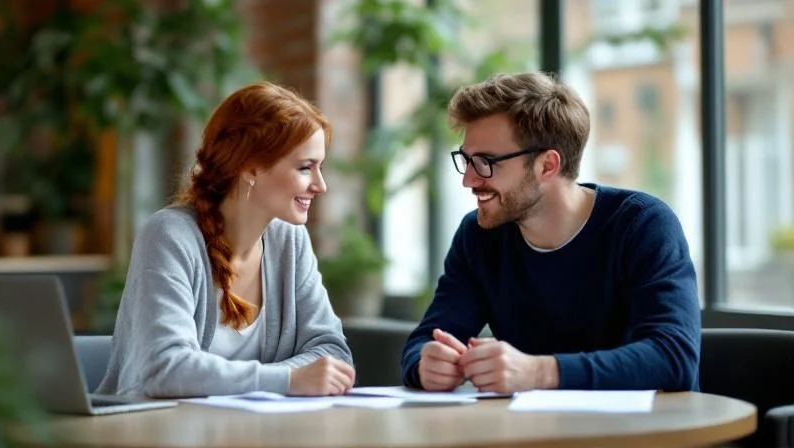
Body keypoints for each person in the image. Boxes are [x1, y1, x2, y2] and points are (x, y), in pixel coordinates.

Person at [401, 72, 700, 394]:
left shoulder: (641, 224)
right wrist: (426, 364)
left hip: (647, 435)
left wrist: (540, 372)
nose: (469, 180)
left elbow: (673, 359)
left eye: (486, 162)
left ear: (547, 166)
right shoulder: (479, 236)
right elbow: (428, 339)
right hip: (532, 434)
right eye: (467, 160)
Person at [97, 82, 355, 398]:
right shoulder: (170, 236)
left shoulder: (290, 240)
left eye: (320, 168)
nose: (320, 185)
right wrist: (289, 380)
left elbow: (333, 354)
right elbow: (165, 368)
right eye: (305, 168)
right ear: (251, 169)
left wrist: (297, 378)